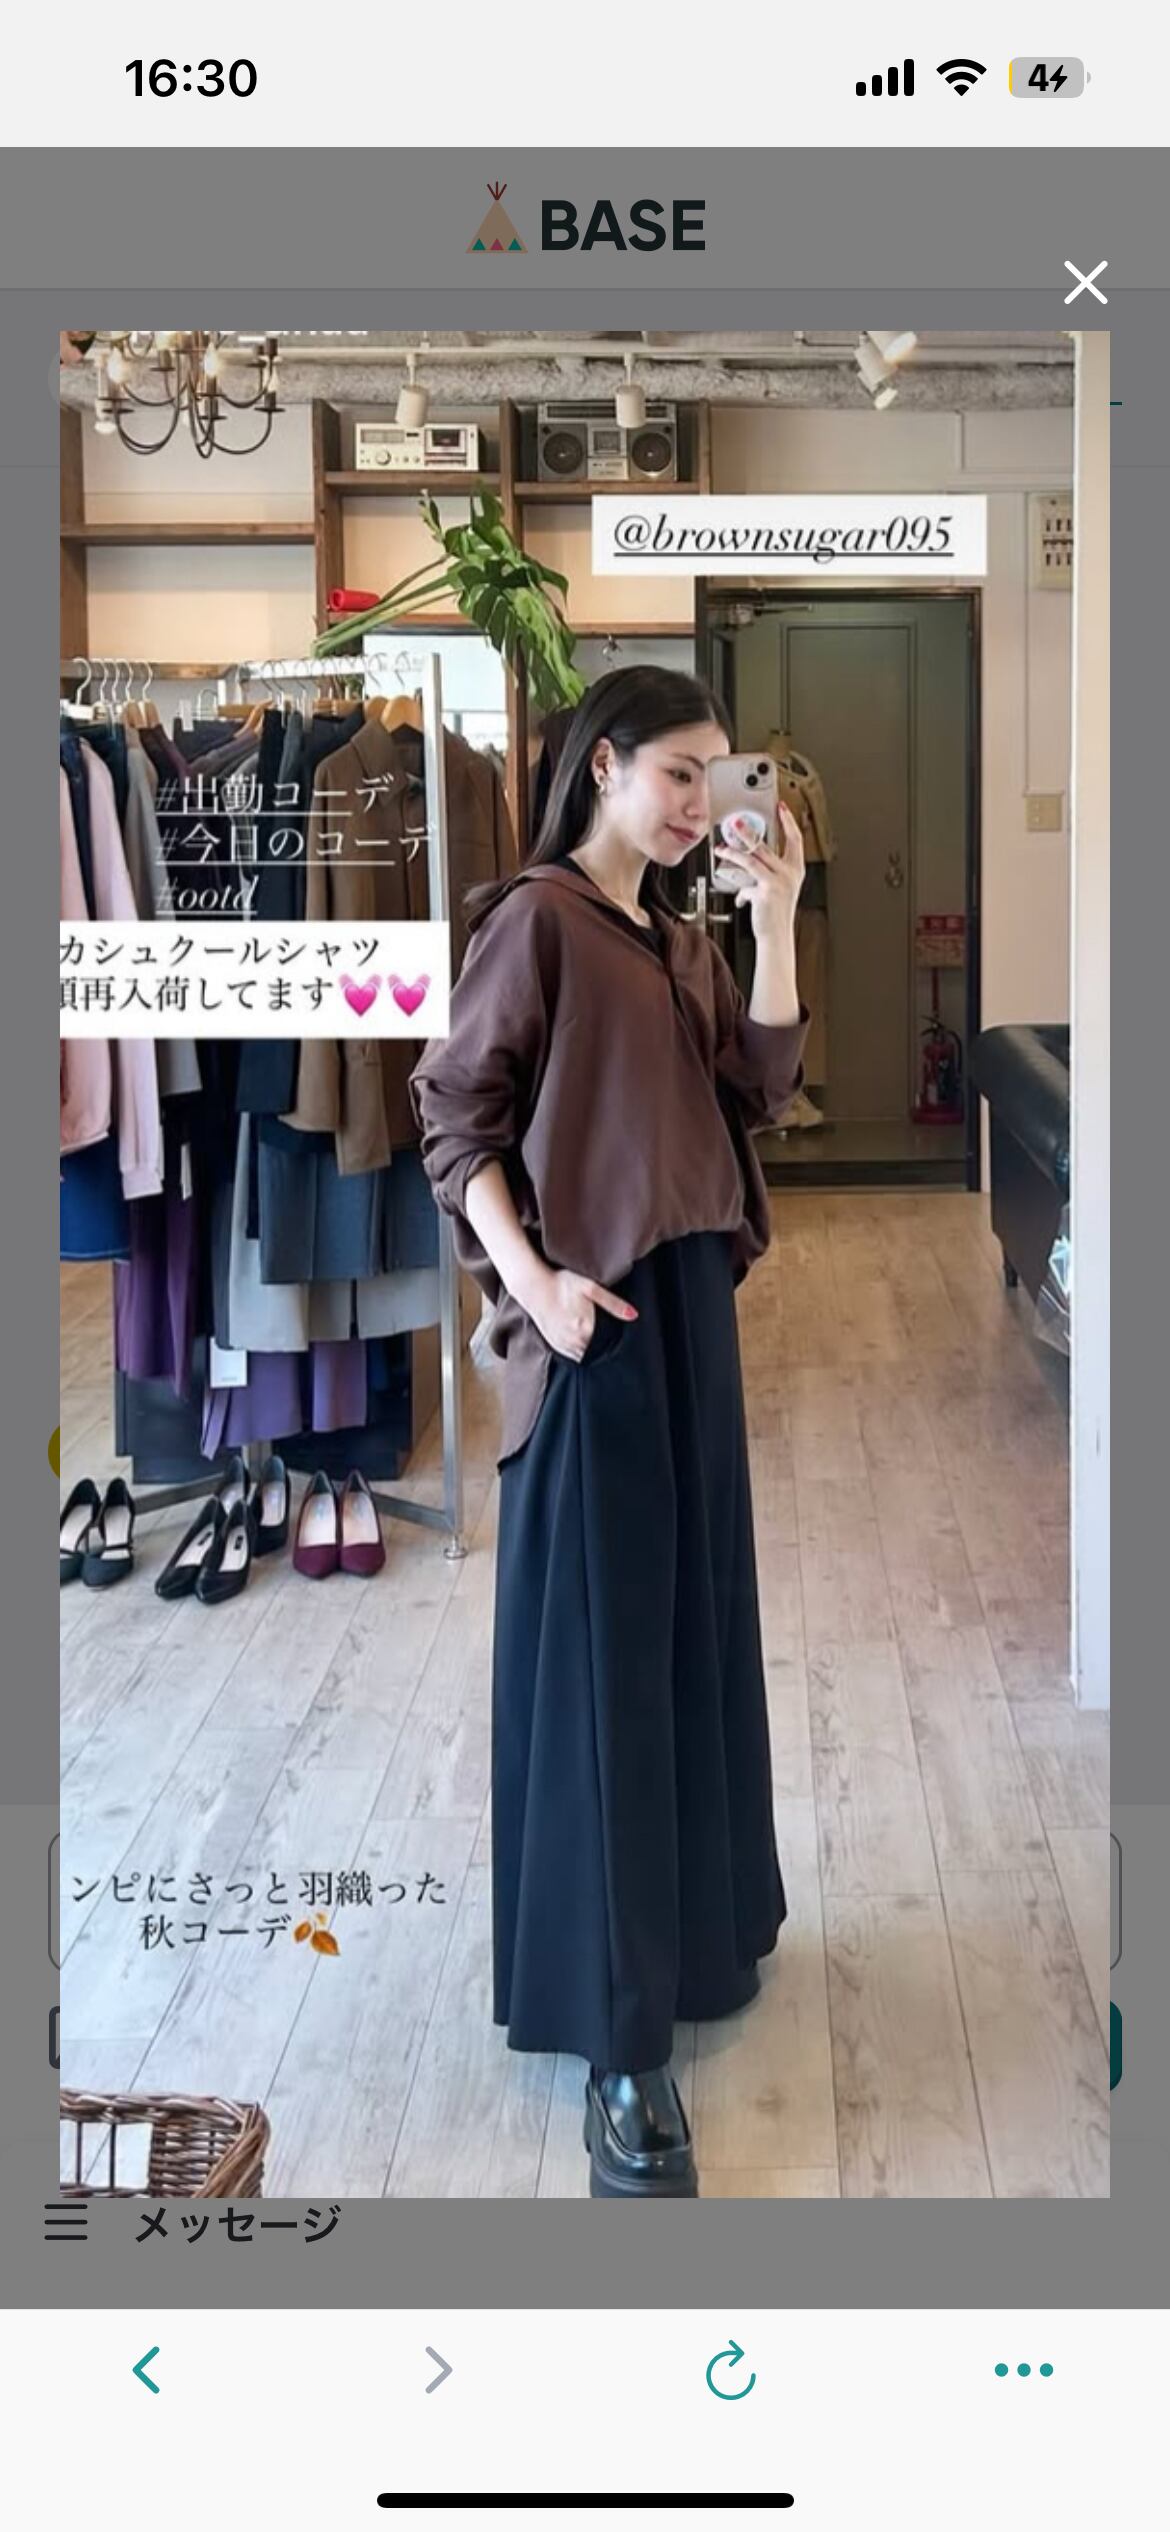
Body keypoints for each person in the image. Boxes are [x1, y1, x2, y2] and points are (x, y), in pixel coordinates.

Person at [410, 667, 809, 2197]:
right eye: (678, 773)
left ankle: (696, 1943)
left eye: (716, 774)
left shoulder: (671, 936)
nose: (700, 801)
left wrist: (776, 922)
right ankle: (619, 2052)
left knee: (687, 1637)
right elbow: (455, 1114)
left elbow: (756, 1090)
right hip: (598, 1324)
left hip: (690, 1313)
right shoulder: (536, 922)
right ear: (602, 767)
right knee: (601, 1673)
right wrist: (535, 1289)